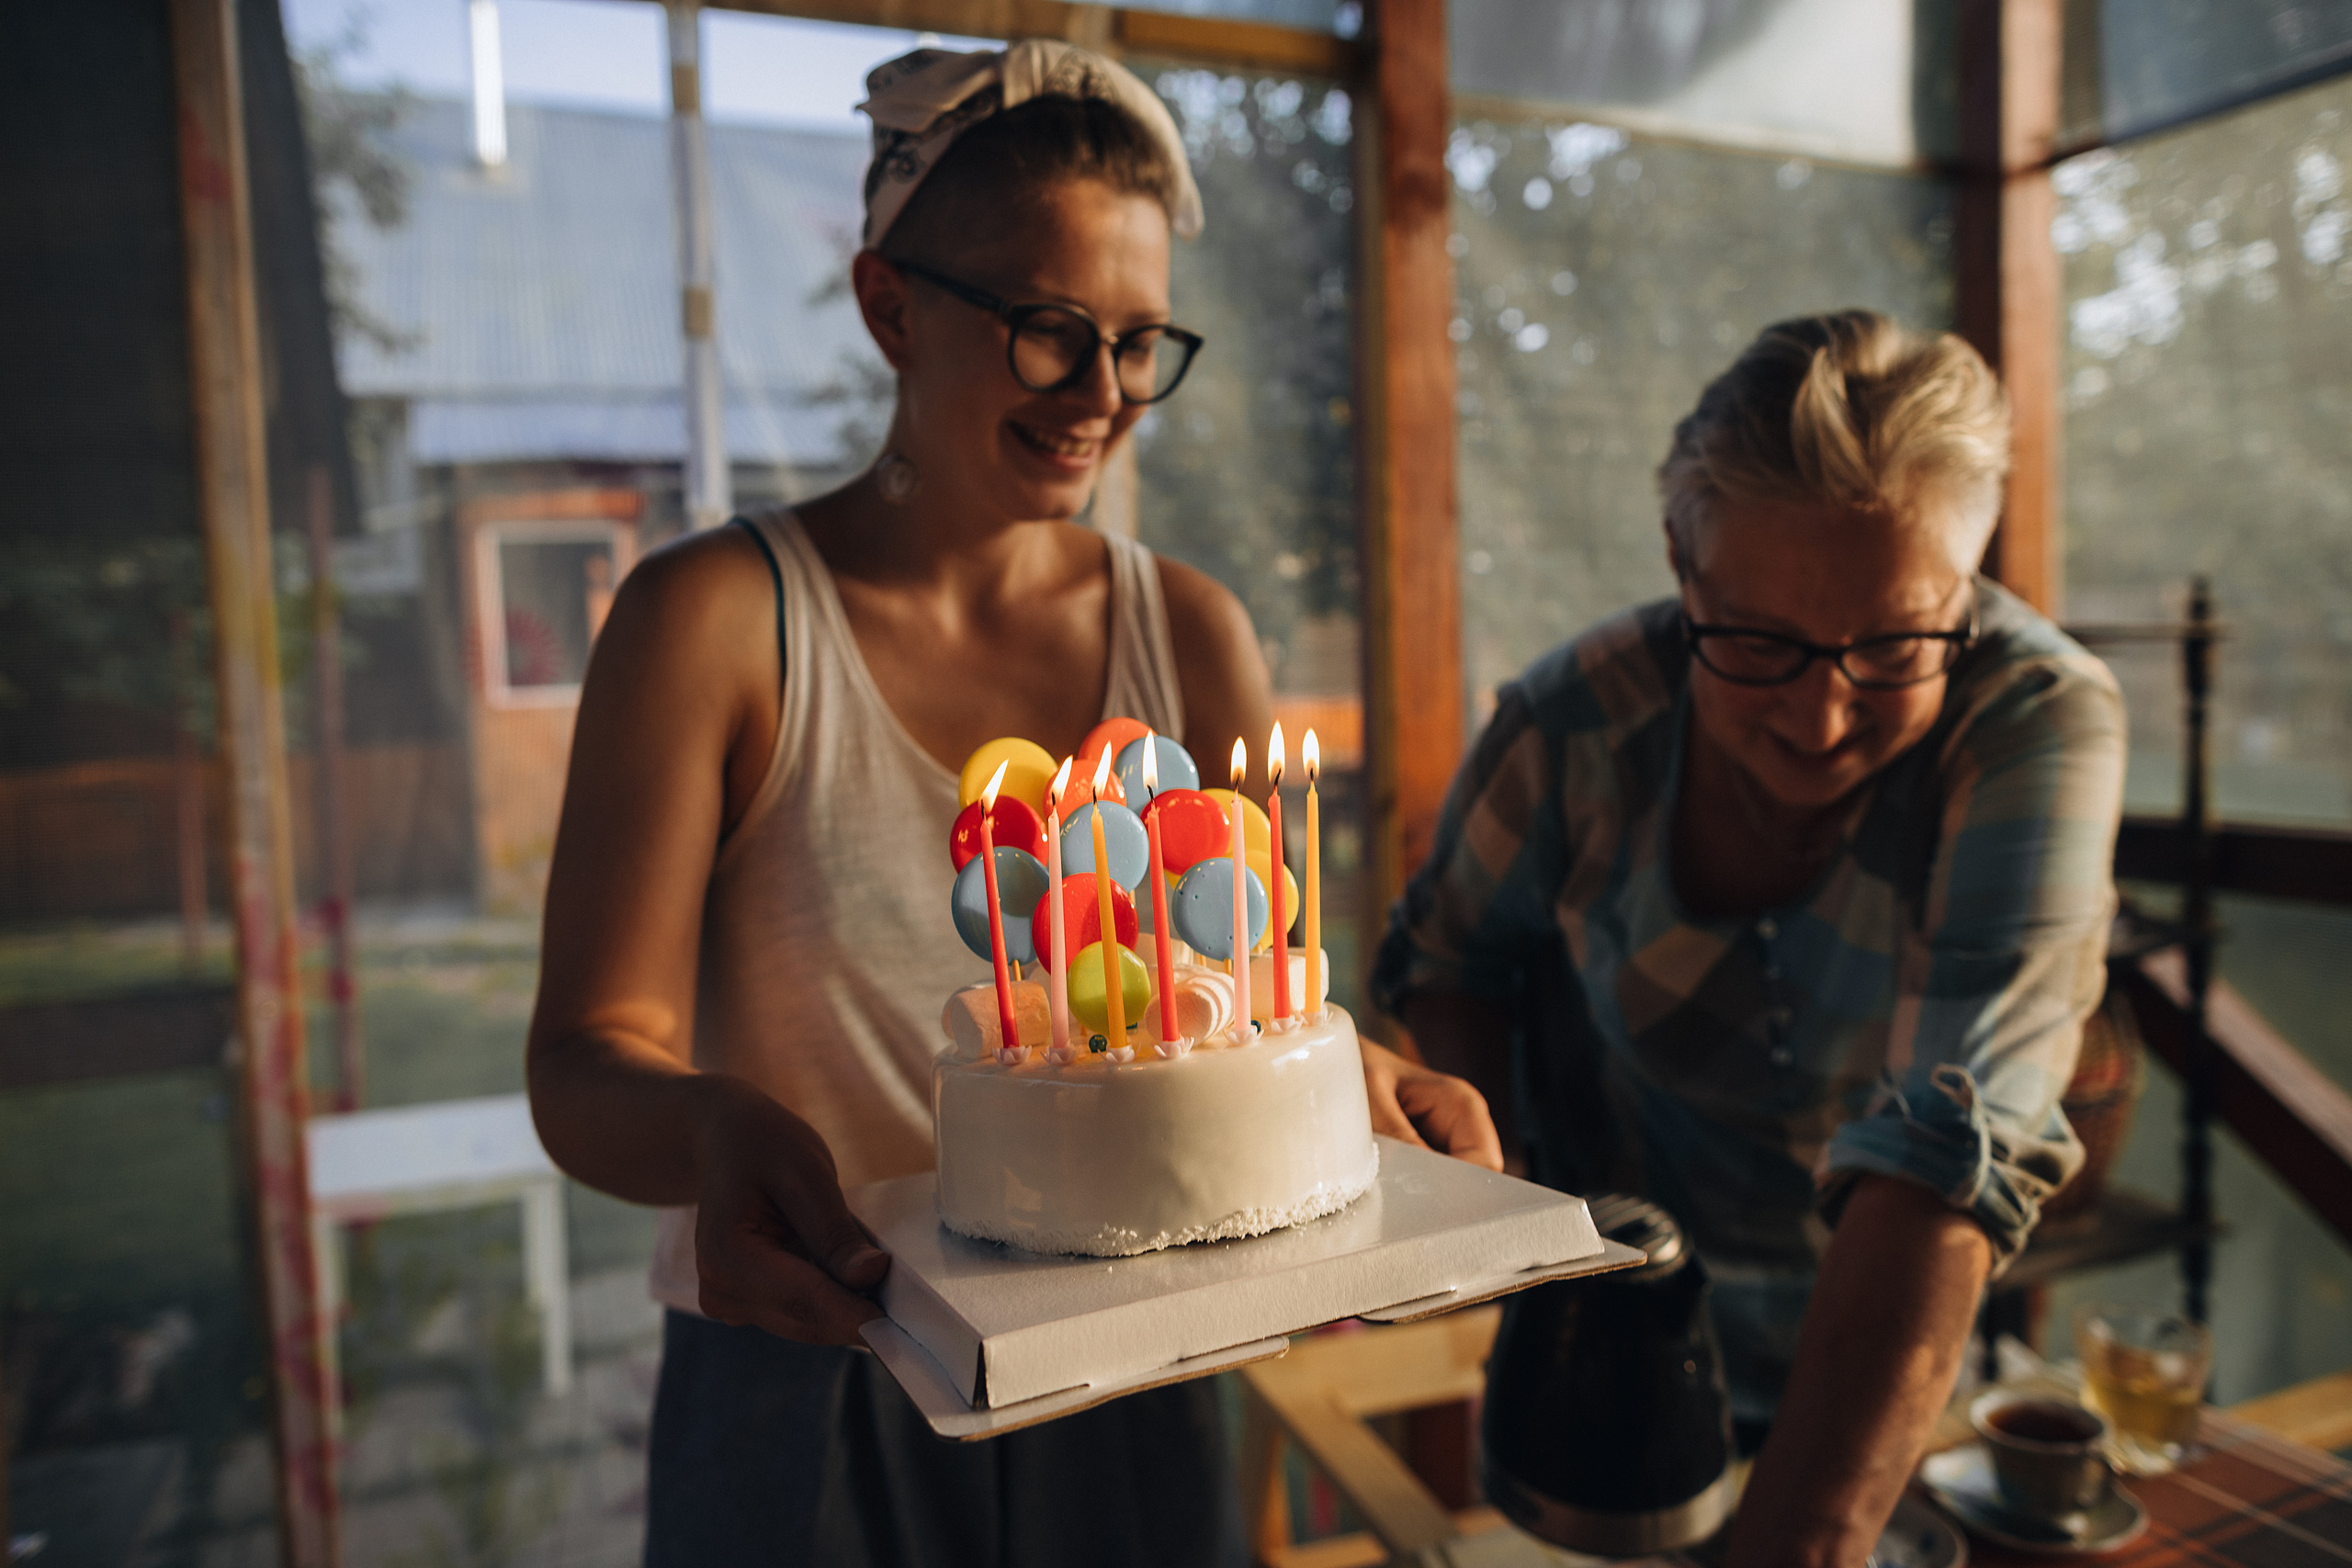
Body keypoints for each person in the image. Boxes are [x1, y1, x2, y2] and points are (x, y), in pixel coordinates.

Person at [522, 40, 1330, 1565]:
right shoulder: (718, 624)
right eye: (1050, 331)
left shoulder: (1194, 636)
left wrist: (1379, 1091)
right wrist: (714, 1131)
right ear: (889, 302)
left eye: (1144, 341)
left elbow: (1250, 1003)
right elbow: (581, 1064)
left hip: (1137, 1371)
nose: (1104, 394)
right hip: (812, 1388)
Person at [1372, 311, 2126, 1568]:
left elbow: (1951, 1144)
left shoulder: (2035, 722)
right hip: (1619, 1347)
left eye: (1895, 644)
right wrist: (1508, 1246)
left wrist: (1805, 1541)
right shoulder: (1572, 727)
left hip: (1884, 1363)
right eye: (1759, 643)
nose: (1823, 716)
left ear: (1974, 579)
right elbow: (1451, 959)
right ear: (1682, 561)